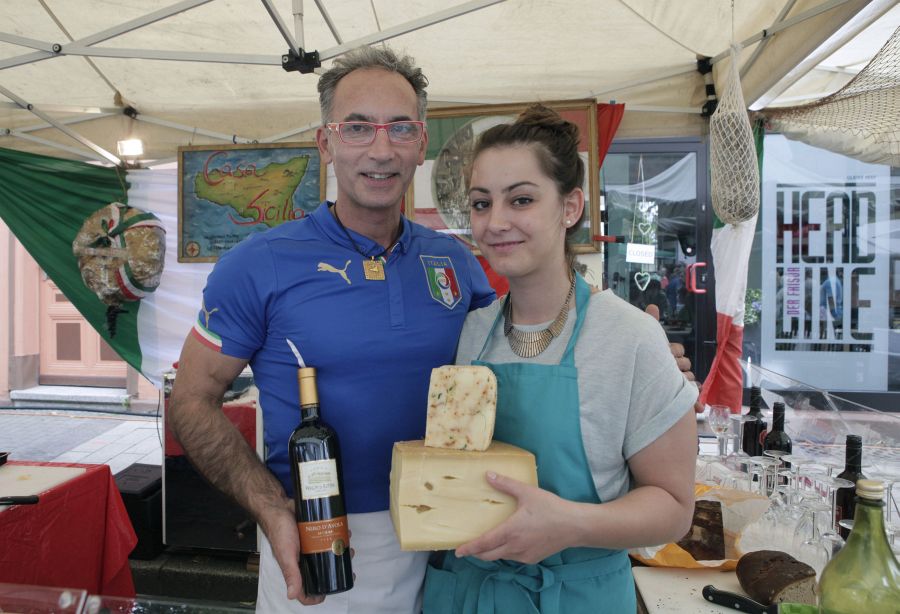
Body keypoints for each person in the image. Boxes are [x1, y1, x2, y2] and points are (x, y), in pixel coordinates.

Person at [167, 46, 496, 613]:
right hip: (316, 541)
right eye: (357, 128)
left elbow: (515, 366)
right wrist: (270, 507)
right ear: (326, 143)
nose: (381, 150)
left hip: (447, 543)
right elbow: (191, 401)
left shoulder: (456, 262)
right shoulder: (258, 264)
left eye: (400, 128)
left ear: (421, 143)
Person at [423, 105, 698, 613]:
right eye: (481, 203)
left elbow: (675, 508)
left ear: (570, 207)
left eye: (521, 199)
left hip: (574, 596)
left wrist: (571, 524)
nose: (496, 222)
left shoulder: (630, 337)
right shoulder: (471, 331)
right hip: (468, 593)